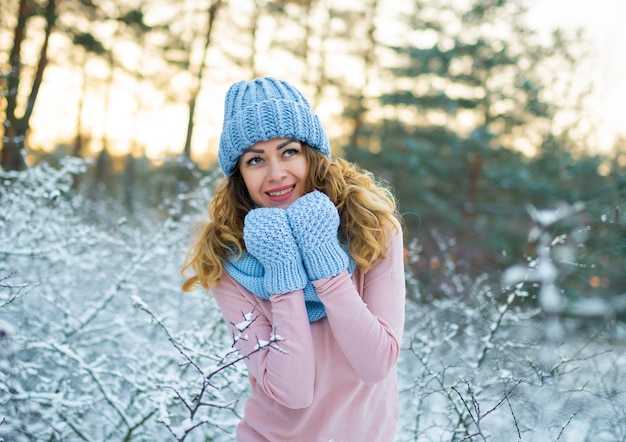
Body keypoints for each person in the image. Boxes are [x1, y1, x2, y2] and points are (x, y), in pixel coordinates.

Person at [181, 77, 406, 442]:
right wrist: (283, 271)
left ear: (312, 154)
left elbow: (376, 364)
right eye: (256, 159)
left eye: (289, 152)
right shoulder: (229, 259)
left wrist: (323, 260)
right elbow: (293, 391)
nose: (276, 173)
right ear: (240, 175)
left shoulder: (372, 230)